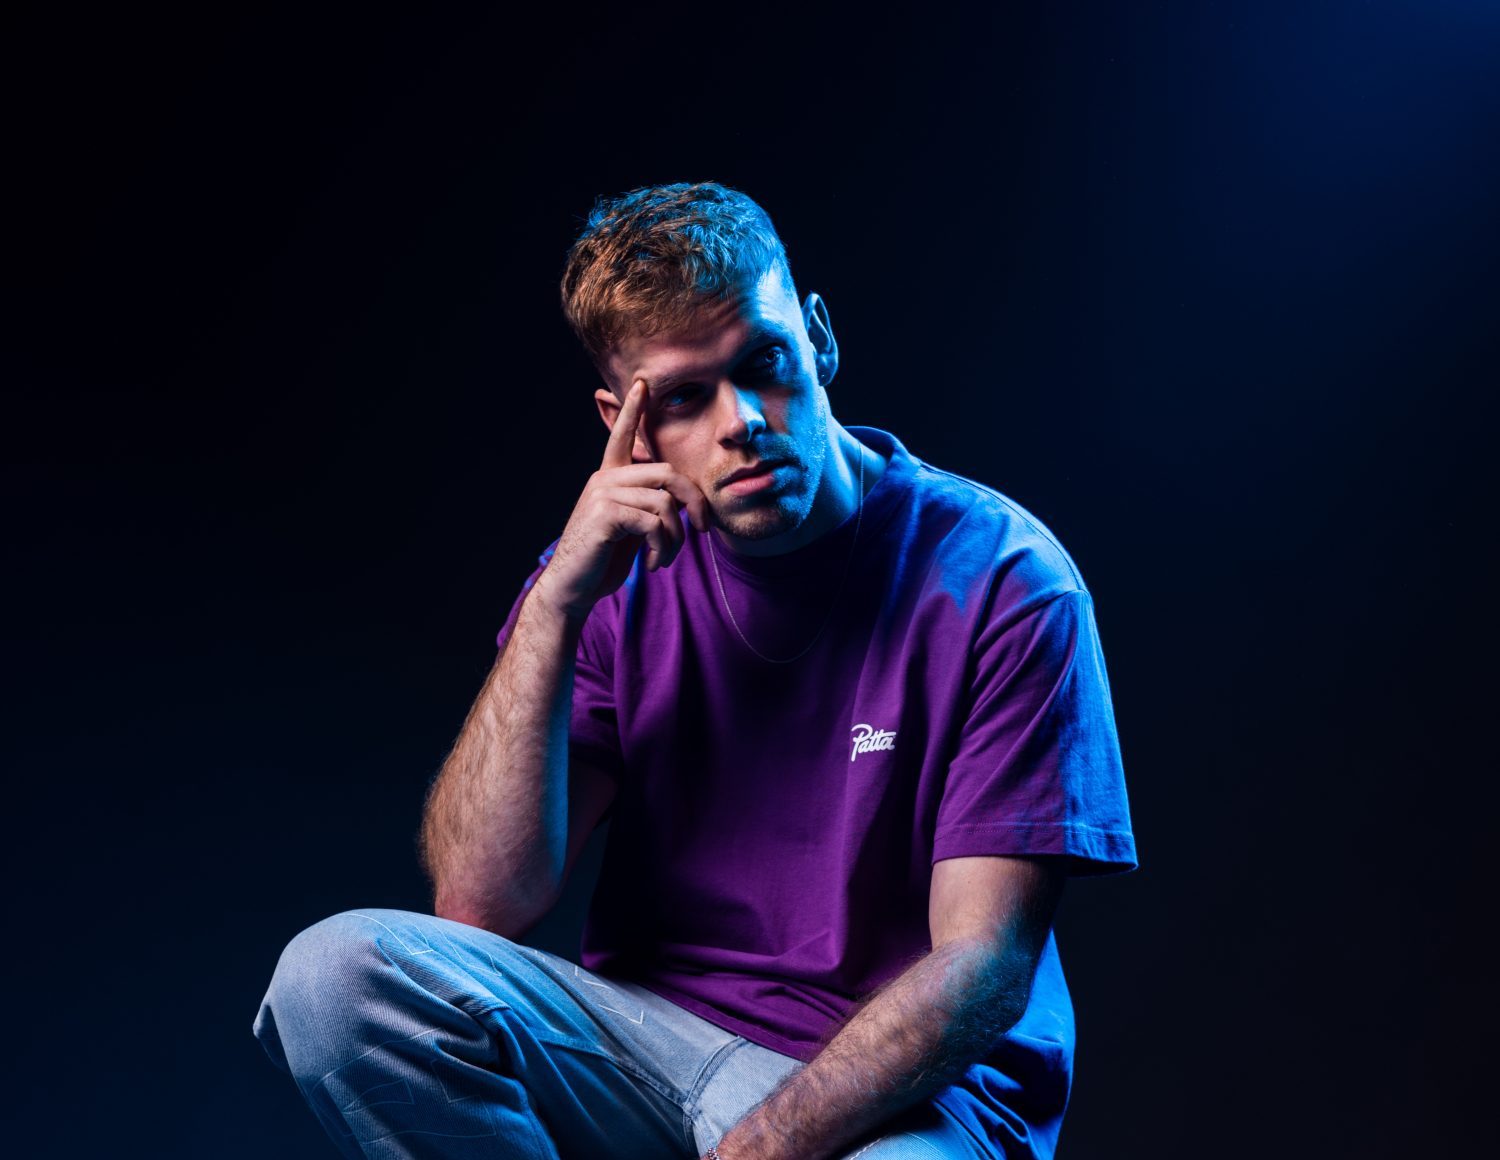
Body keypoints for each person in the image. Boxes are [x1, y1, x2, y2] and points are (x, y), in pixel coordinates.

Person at [253, 182, 1137, 1160]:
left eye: (762, 364)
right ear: (623, 423)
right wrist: (555, 605)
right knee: (334, 979)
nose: (741, 419)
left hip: (904, 1102)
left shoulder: (1004, 579)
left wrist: (758, 1146)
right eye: (683, 397)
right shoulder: (605, 582)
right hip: (650, 1048)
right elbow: (481, 906)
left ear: (817, 338)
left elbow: (983, 963)